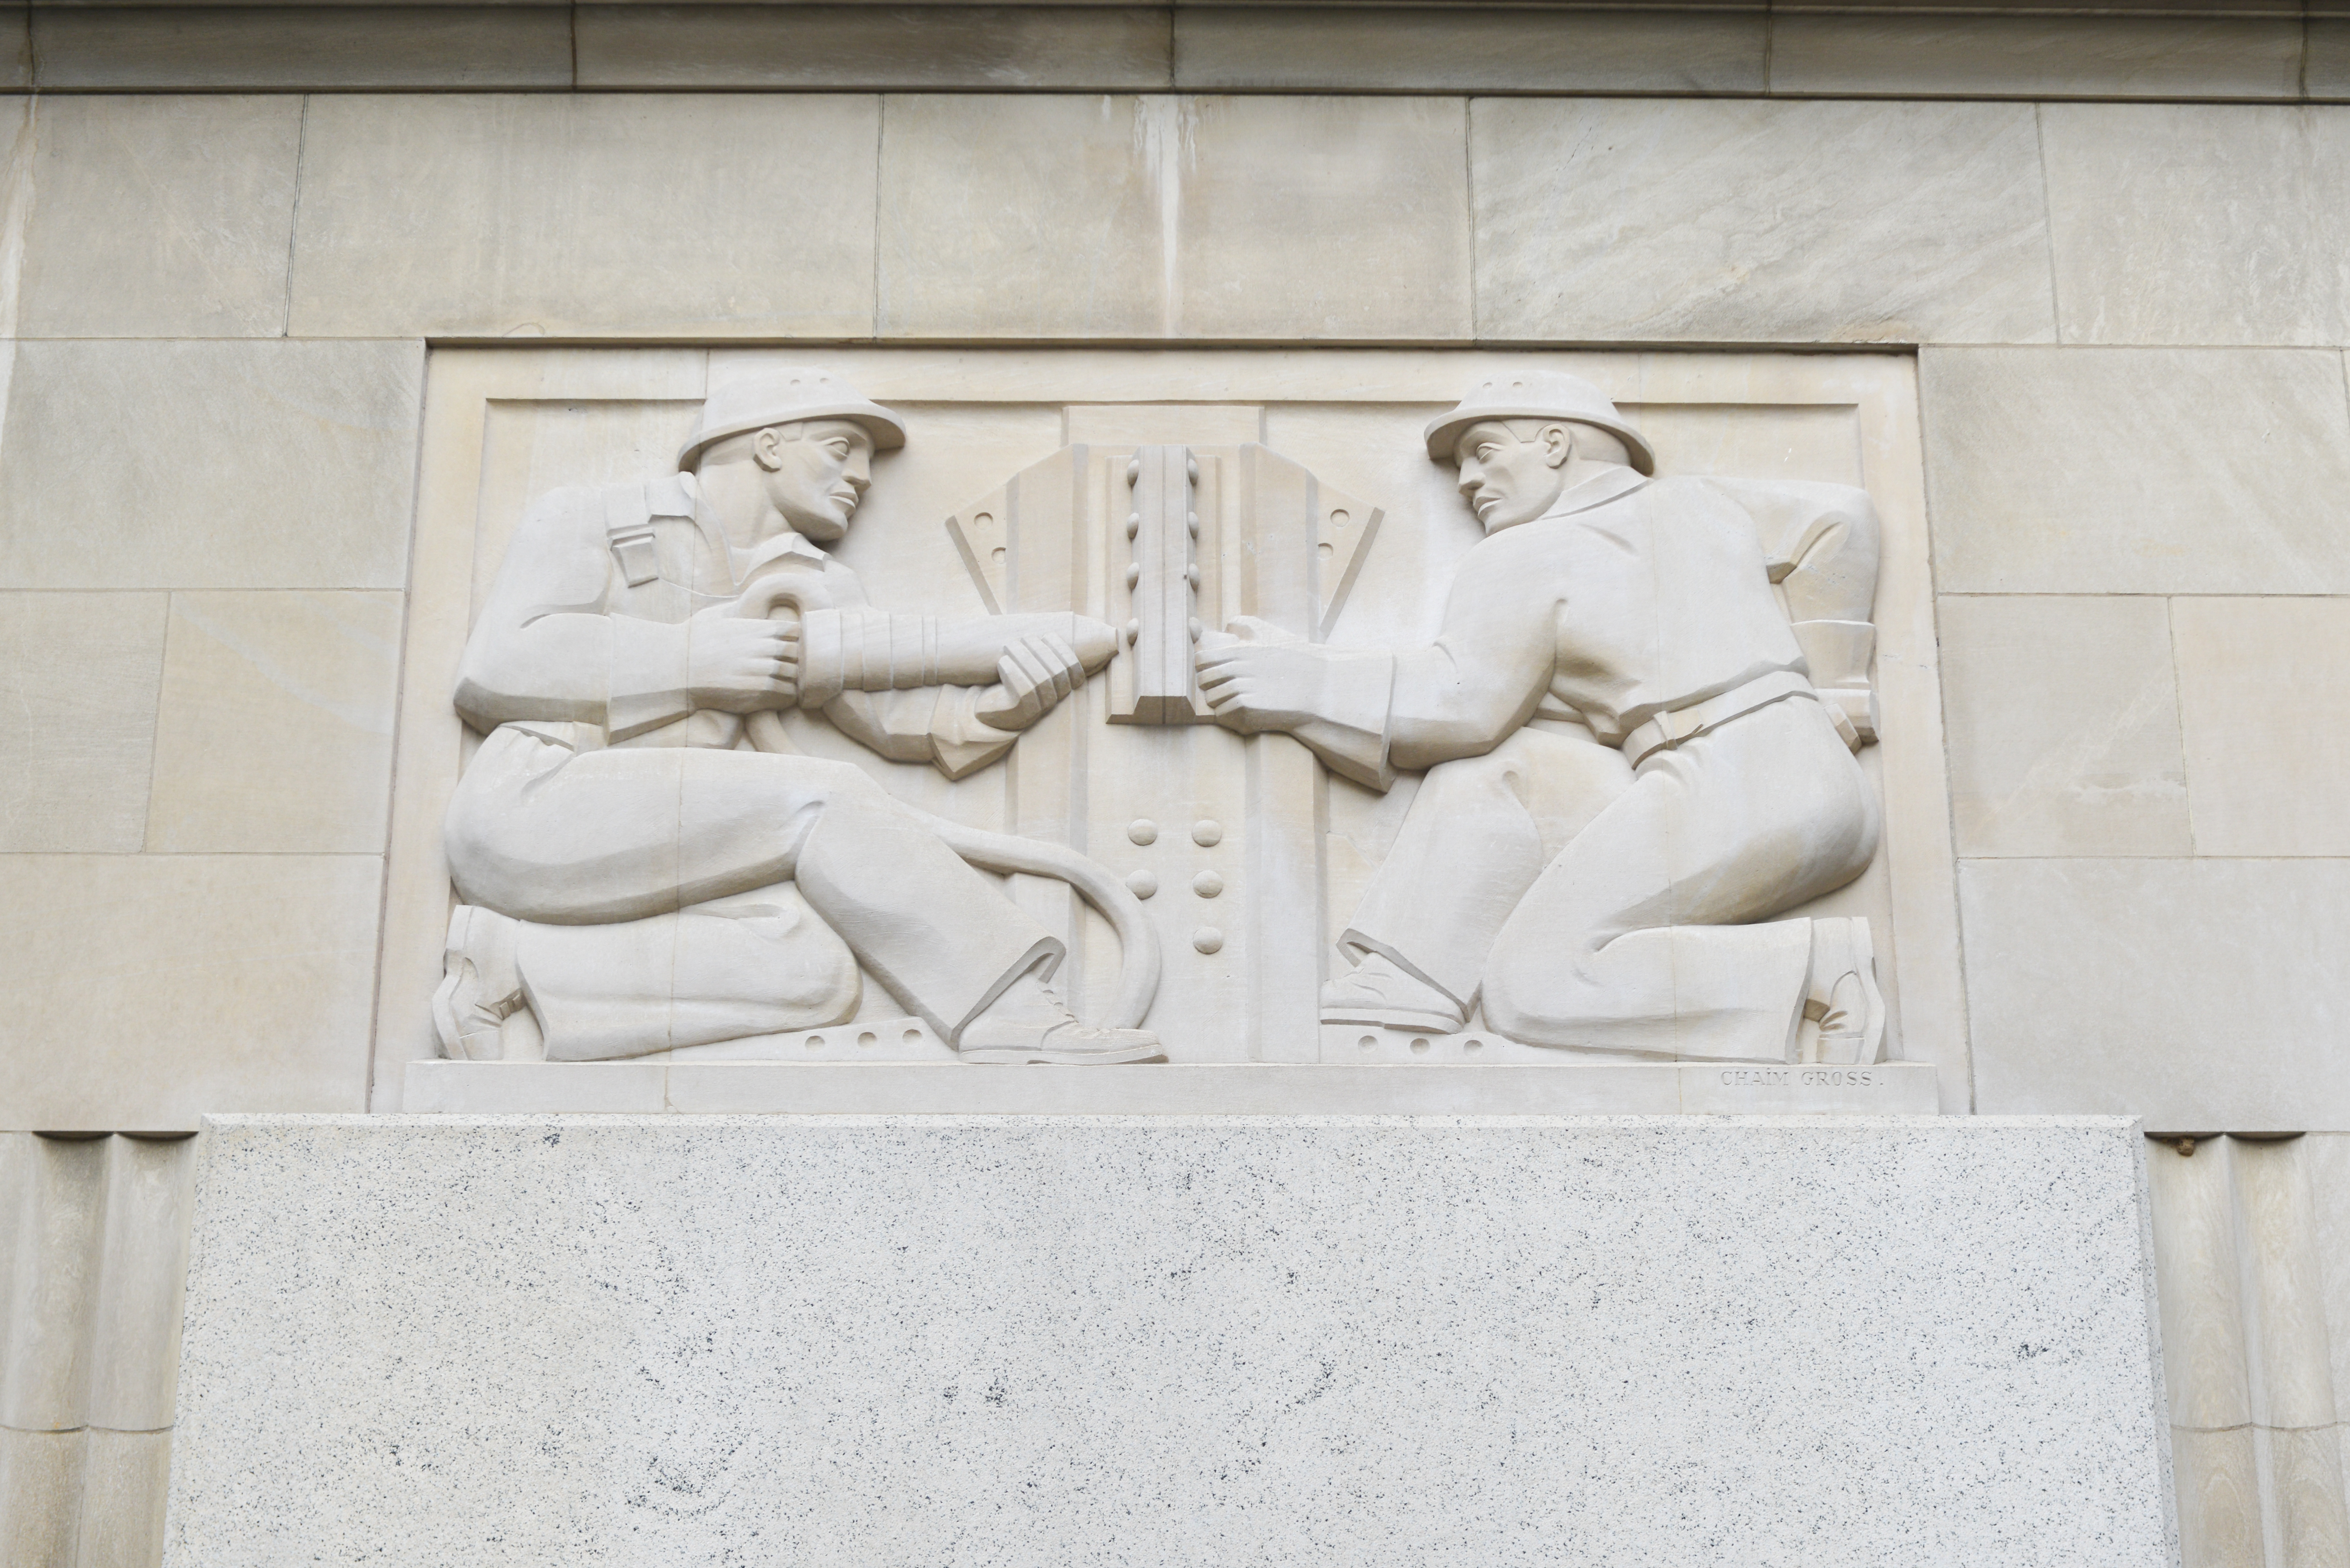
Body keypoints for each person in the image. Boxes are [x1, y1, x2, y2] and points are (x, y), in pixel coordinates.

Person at [434, 371, 1159, 1065]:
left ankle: (508, 962)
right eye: (842, 450)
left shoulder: (816, 582)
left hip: (679, 836)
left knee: (815, 970)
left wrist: (1005, 705)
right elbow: (496, 665)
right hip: (536, 800)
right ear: (769, 445)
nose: (864, 478)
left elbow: (899, 720)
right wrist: (688, 659)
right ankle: (1008, 1014)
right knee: (822, 796)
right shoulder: (595, 518)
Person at [1195, 371, 1886, 1063]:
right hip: (1751, 770)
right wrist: (1838, 682)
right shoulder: (1705, 499)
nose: (1467, 479)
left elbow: (1463, 703)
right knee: (1498, 772)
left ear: (1555, 443)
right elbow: (1843, 520)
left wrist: (1307, 680)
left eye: (1486, 450)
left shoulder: (1527, 552)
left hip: (1738, 788)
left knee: (1535, 982)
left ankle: (1820, 964)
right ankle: (1414, 980)